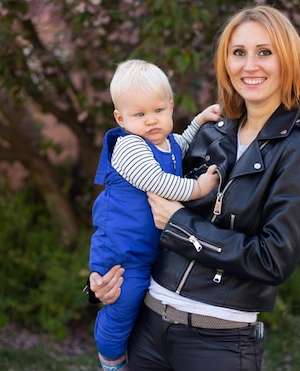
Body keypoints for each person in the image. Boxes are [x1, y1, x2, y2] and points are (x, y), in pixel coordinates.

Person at [88, 5, 300, 371]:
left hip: (219, 343)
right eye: (238, 53)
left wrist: (181, 226)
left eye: (265, 52)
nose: (250, 65)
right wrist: (101, 282)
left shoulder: (298, 149)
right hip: (148, 328)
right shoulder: (213, 132)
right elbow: (136, 209)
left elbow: (273, 259)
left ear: (288, 60)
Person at [89, 59, 221, 371]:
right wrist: (198, 188)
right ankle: (109, 357)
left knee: (144, 305)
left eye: (158, 111)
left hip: (150, 248)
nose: (151, 121)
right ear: (121, 118)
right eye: (139, 114)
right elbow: (158, 182)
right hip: (122, 252)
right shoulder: (129, 147)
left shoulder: (168, 142)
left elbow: (183, 142)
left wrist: (200, 119)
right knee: (126, 298)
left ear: (171, 107)